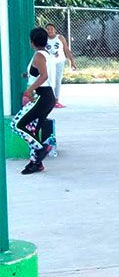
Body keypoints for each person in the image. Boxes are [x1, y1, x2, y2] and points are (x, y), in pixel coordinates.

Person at [11, 28, 57, 174]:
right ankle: (36, 163)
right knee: (32, 129)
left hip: (41, 96)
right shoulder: (47, 55)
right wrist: (28, 77)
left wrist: (29, 89)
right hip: (47, 96)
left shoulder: (38, 55)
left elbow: (43, 76)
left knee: (17, 125)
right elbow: (38, 74)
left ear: (32, 41)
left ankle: (41, 148)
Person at [44, 23, 76, 108]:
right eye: (48, 29)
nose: (50, 30)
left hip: (59, 62)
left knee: (57, 80)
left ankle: (56, 100)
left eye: (51, 28)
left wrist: (72, 61)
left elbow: (66, 49)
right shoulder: (44, 39)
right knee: (48, 80)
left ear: (55, 30)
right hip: (49, 63)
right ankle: (48, 100)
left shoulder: (60, 38)